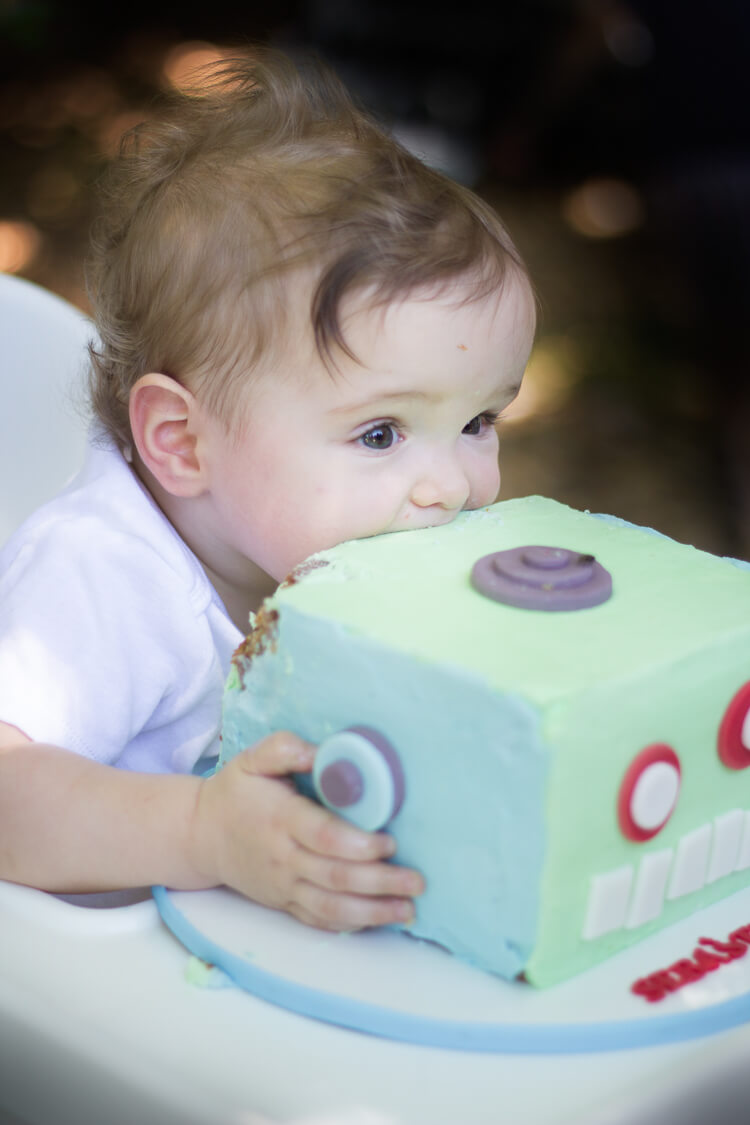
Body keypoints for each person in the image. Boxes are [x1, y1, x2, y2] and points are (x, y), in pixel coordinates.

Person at [0, 48, 536, 931]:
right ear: (183, 442)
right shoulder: (100, 581)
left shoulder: (319, 551)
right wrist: (204, 830)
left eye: (480, 422)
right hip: (83, 1003)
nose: (453, 486)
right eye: (379, 434)